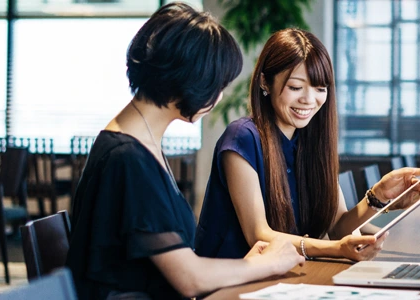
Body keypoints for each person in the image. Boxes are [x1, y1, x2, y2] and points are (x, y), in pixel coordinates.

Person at [65, 3, 304, 299]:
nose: (217, 97)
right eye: (218, 86)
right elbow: (189, 279)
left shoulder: (137, 142)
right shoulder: (127, 158)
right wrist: (267, 264)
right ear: (193, 80)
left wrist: (250, 264)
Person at [196, 28, 420, 262]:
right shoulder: (242, 137)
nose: (309, 100)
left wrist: (378, 197)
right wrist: (335, 250)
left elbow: (338, 228)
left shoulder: (311, 141)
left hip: (283, 276)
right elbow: (259, 236)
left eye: (320, 88)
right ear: (265, 83)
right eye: (295, 87)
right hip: (231, 282)